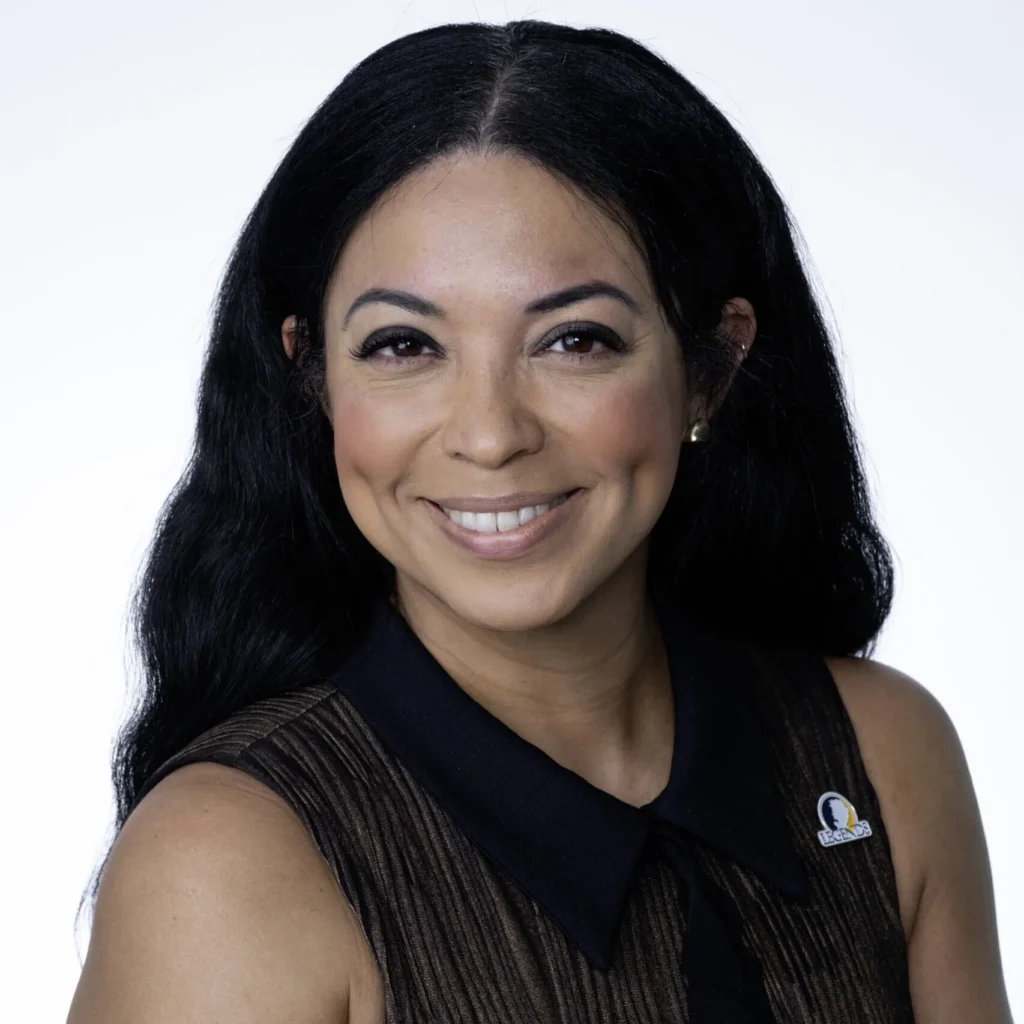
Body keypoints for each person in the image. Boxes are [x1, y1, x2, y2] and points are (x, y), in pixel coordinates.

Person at [67, 18, 1013, 1024]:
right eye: (402, 345)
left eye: (575, 339)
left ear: (709, 369)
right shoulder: (224, 865)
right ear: (313, 379)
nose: (489, 435)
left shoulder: (881, 754)